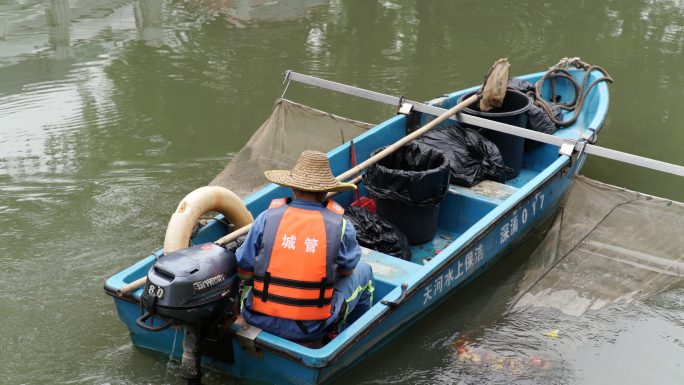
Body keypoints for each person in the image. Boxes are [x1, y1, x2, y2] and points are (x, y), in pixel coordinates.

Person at [235, 150, 374, 342]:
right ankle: (355, 336)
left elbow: (244, 269)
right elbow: (347, 270)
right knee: (364, 270)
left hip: (256, 317)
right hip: (312, 327)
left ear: (293, 188)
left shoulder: (266, 218)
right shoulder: (341, 225)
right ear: (326, 192)